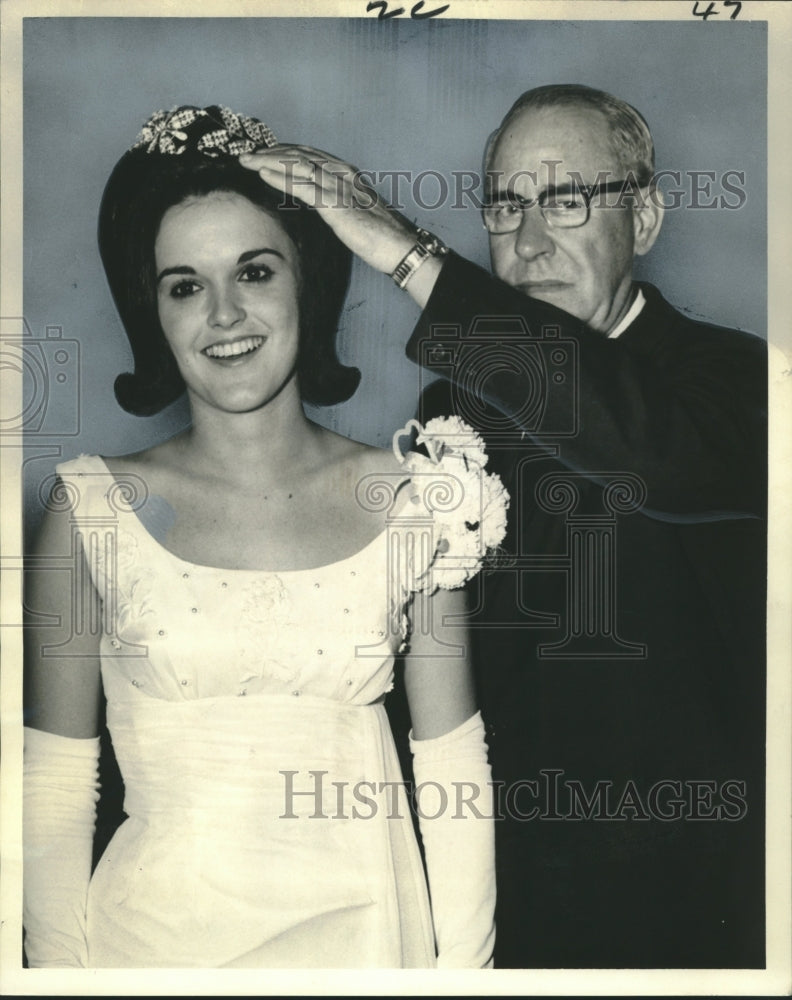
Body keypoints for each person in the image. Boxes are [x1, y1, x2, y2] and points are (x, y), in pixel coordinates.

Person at [239, 83, 768, 968]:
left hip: (696, 906)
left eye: (565, 201)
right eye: (505, 206)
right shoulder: (456, 401)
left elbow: (647, 453)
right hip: (502, 898)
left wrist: (406, 255)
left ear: (644, 217)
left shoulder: (738, 379)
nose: (528, 242)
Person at [22, 104, 506, 969]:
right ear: (153, 312)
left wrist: (467, 981)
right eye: (184, 286)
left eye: (253, 272)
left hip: (368, 947)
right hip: (148, 954)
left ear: (305, 284)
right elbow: (55, 789)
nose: (222, 315)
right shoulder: (90, 508)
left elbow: (452, 772)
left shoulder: (420, 496)